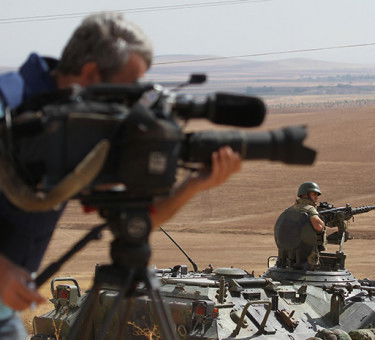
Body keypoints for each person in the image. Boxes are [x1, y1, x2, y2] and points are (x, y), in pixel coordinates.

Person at [0, 12, 241, 339]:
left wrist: (194, 185)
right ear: (89, 73)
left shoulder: (85, 129)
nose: (131, 107)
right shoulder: (9, 105)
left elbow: (136, 219)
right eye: (125, 91)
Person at [274, 181, 329, 269]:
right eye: (314, 194)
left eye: (317, 195)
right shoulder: (310, 209)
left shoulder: (288, 210)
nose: (316, 197)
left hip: (287, 257)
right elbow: (318, 227)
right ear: (305, 195)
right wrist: (323, 222)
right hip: (306, 259)